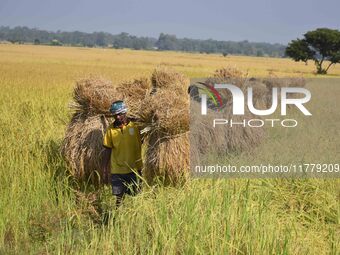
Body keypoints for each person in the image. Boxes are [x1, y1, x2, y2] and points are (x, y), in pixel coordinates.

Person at [102, 100, 143, 208]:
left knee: (136, 196)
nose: (118, 117)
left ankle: (136, 219)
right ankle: (118, 217)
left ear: (125, 113)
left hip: (134, 168)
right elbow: (107, 149)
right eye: (115, 115)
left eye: (120, 114)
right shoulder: (110, 130)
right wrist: (105, 169)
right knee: (119, 197)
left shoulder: (135, 126)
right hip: (117, 169)